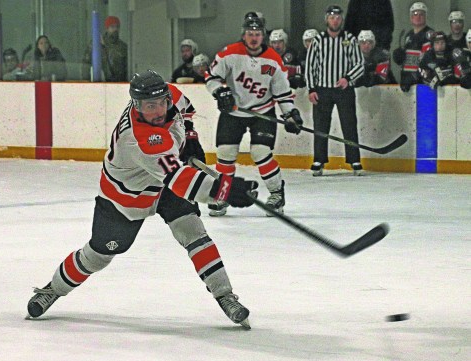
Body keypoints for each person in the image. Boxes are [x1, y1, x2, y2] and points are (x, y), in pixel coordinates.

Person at [26, 70, 259, 329]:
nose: (159, 110)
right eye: (150, 106)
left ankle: (225, 295)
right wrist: (224, 189)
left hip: (164, 185)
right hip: (126, 198)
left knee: (193, 232)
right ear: (136, 106)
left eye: (162, 103)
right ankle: (52, 290)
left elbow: (187, 110)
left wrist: (190, 136)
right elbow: (180, 180)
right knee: (98, 255)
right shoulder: (139, 139)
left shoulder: (169, 95)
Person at [205, 16, 303, 216]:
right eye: (250, 34)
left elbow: (283, 94)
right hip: (233, 112)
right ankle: (223, 194)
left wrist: (290, 114)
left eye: (257, 34)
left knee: (260, 153)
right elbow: (211, 77)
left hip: (262, 112)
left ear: (263, 36)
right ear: (243, 34)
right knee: (225, 154)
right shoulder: (229, 53)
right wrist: (219, 91)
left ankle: (276, 194)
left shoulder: (274, 60)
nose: (253, 38)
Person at [304, 5, 365, 177]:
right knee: (321, 126)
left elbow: (359, 64)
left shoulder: (350, 39)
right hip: (322, 89)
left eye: (338, 17)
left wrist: (348, 78)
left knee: (349, 124)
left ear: (342, 20)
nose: (335, 20)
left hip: (344, 89)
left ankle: (354, 160)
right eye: (332, 17)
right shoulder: (318, 40)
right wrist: (311, 88)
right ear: (326, 20)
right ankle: (319, 160)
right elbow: (310, 66)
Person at [392, 2, 433, 92]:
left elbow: (428, 60)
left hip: (422, 82)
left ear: (426, 17)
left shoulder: (429, 34)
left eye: (421, 14)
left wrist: (416, 76)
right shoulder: (408, 35)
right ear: (411, 17)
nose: (418, 17)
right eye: (415, 14)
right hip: (407, 81)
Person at [82, 16, 128, 82]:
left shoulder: (123, 47)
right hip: (99, 83)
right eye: (112, 27)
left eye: (117, 27)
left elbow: (126, 68)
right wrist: (86, 82)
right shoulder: (96, 44)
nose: (115, 29)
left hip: (119, 84)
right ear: (107, 28)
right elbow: (85, 64)